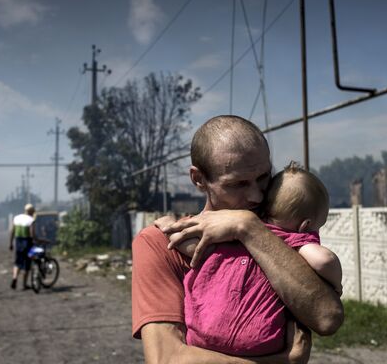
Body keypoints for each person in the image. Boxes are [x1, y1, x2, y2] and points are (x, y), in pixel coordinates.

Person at [131, 115, 344, 363]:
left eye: (264, 177)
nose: (256, 196)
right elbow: (167, 359)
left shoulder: (271, 236)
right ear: (199, 179)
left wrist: (247, 227)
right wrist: (283, 362)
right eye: (238, 184)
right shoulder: (159, 243)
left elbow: (327, 318)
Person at [176, 161, 343, 356]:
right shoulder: (298, 240)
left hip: (201, 334)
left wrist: (169, 226)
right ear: (305, 225)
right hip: (257, 342)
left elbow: (195, 246)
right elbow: (324, 260)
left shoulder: (235, 233)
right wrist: (336, 284)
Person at [9, 203, 36, 290]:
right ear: (31, 212)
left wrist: (10, 243)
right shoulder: (30, 219)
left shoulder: (17, 218)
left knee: (18, 262)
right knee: (26, 264)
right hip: (27, 242)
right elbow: (32, 234)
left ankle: (14, 278)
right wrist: (35, 241)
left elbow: (12, 231)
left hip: (18, 242)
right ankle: (24, 285)